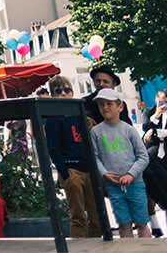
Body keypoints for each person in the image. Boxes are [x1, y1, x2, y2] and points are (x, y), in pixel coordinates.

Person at [83, 65, 167, 236]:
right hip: (110, 162)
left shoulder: (120, 104)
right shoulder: (87, 104)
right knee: (145, 183)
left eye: (105, 81)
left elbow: (130, 134)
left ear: (113, 85)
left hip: (131, 156)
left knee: (166, 180)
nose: (101, 84)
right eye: (98, 81)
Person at [43, 75, 101, 238]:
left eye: (67, 90)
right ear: (52, 95)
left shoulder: (81, 116)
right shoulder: (53, 120)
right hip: (71, 169)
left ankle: (96, 247)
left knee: (96, 215)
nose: (63, 94)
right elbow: (53, 148)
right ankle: (78, 247)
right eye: (58, 91)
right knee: (78, 216)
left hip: (89, 169)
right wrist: (65, 172)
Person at [90, 88, 152, 238]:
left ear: (120, 107)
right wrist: (105, 174)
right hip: (114, 186)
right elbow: (95, 157)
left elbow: (143, 156)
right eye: (101, 104)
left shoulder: (129, 130)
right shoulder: (95, 132)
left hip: (135, 184)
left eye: (109, 104)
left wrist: (131, 175)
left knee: (141, 224)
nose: (105, 107)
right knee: (124, 225)